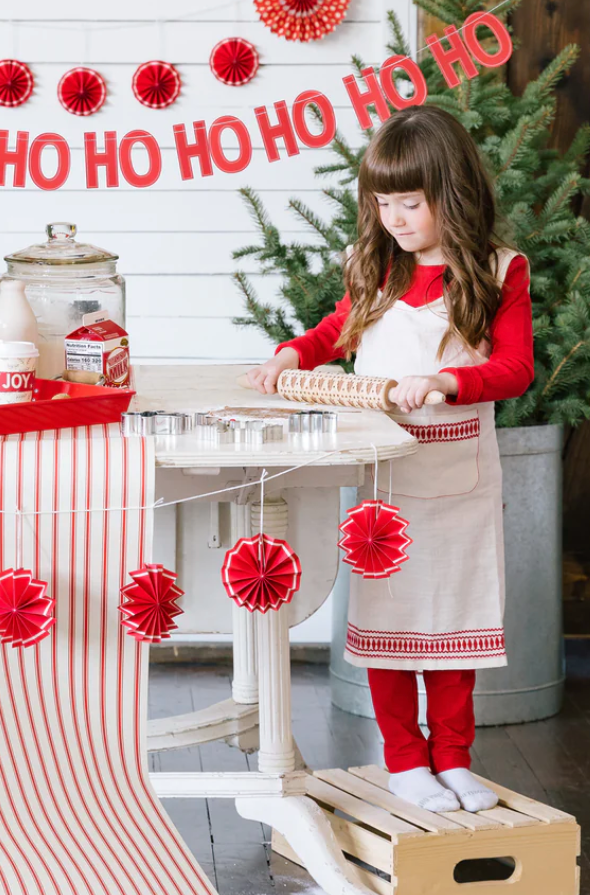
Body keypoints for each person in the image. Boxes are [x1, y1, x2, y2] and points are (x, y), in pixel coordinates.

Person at [244, 106, 534, 814]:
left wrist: (445, 382)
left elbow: (516, 368)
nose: (396, 217)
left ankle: (455, 758)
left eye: (411, 202)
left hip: (459, 472)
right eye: (383, 202)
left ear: (453, 192)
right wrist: (293, 353)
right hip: (388, 477)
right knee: (392, 621)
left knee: (455, 620)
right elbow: (335, 330)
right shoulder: (378, 267)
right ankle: (405, 759)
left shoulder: (499, 270)